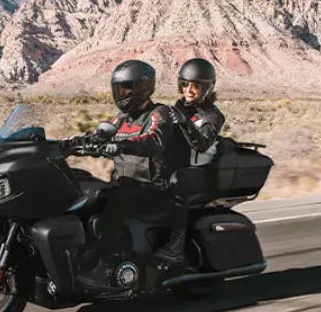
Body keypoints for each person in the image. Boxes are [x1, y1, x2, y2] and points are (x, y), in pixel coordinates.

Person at [81, 59, 182, 283]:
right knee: (85, 194)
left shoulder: (159, 113)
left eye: (126, 87)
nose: (121, 92)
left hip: (153, 189)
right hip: (125, 185)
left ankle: (106, 263)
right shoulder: (122, 118)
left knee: (114, 201)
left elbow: (153, 140)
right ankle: (87, 254)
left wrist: (122, 145)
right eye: (119, 88)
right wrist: (81, 142)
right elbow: (103, 133)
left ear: (143, 86)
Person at [153, 57, 225, 265]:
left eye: (196, 86)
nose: (189, 90)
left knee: (178, 180)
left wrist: (185, 122)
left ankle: (175, 247)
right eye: (185, 84)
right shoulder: (177, 108)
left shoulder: (213, 115)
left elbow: (202, 144)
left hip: (201, 172)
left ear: (207, 88)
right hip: (177, 168)